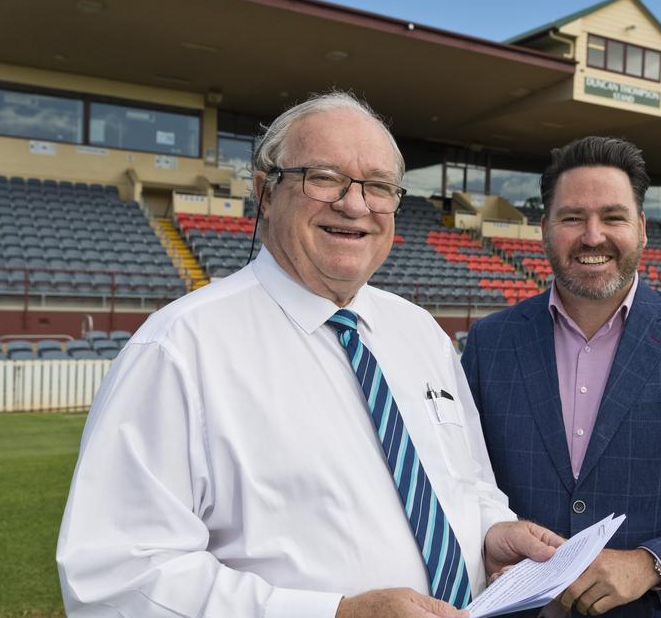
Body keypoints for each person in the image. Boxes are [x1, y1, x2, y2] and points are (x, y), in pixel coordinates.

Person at [57, 92, 562, 617]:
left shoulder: (421, 334)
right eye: (323, 177)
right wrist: (337, 614)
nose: (355, 204)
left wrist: (489, 532)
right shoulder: (179, 350)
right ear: (265, 192)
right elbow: (118, 578)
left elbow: (467, 482)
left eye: (378, 187)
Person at [462, 136, 661, 617]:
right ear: (545, 230)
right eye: (572, 218)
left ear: (641, 229)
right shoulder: (490, 342)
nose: (593, 236)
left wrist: (651, 564)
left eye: (613, 217)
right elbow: (457, 482)